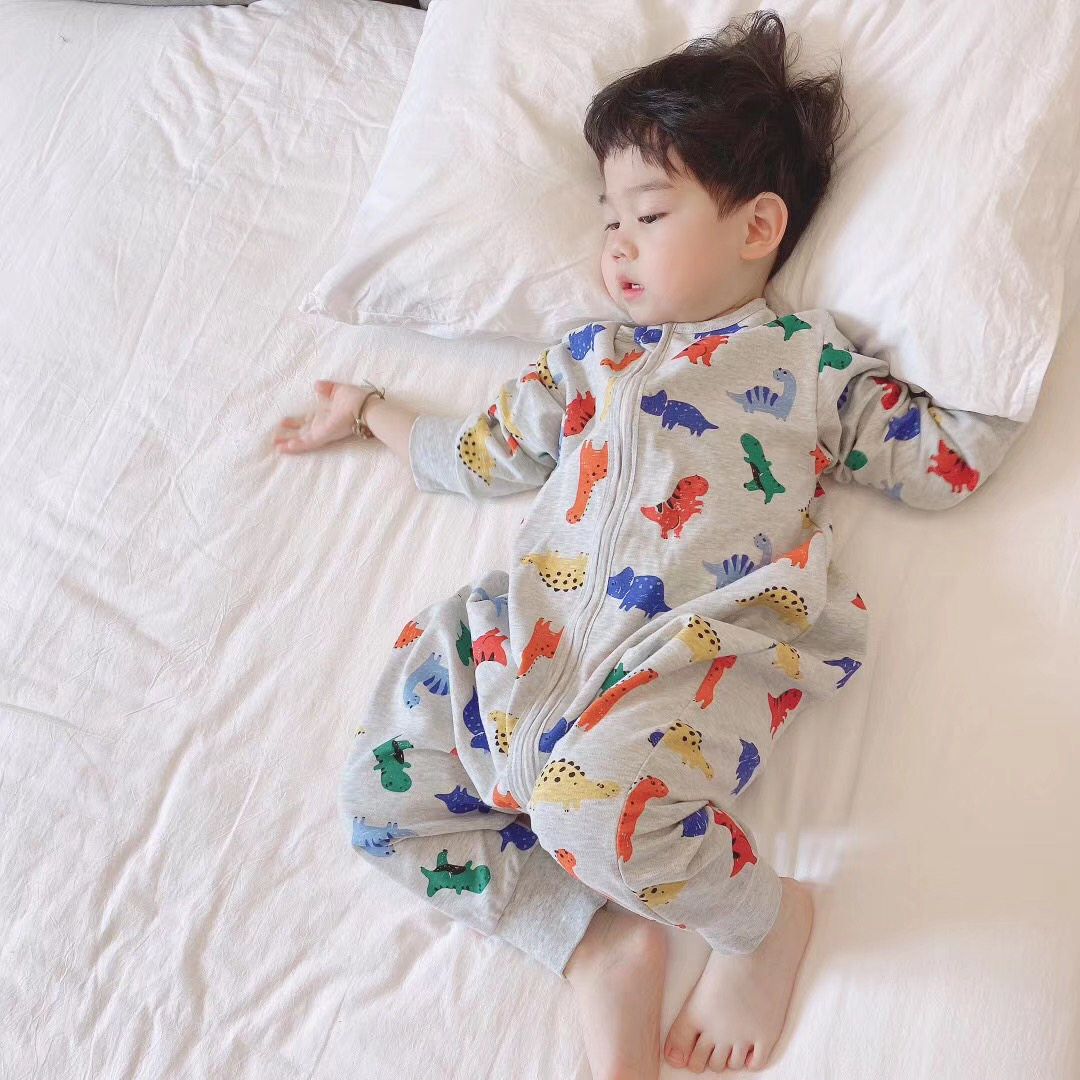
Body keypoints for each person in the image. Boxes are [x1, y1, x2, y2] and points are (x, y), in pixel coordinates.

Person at [274, 10, 1025, 1077]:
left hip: (686, 651)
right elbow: (483, 455)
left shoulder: (805, 364)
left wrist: (1006, 329)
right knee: (377, 802)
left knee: (592, 808)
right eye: (607, 216)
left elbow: (943, 463)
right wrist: (368, 412)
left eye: (649, 212)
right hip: (524, 642)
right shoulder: (583, 359)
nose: (616, 242)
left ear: (758, 226)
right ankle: (594, 937)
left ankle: (762, 922)